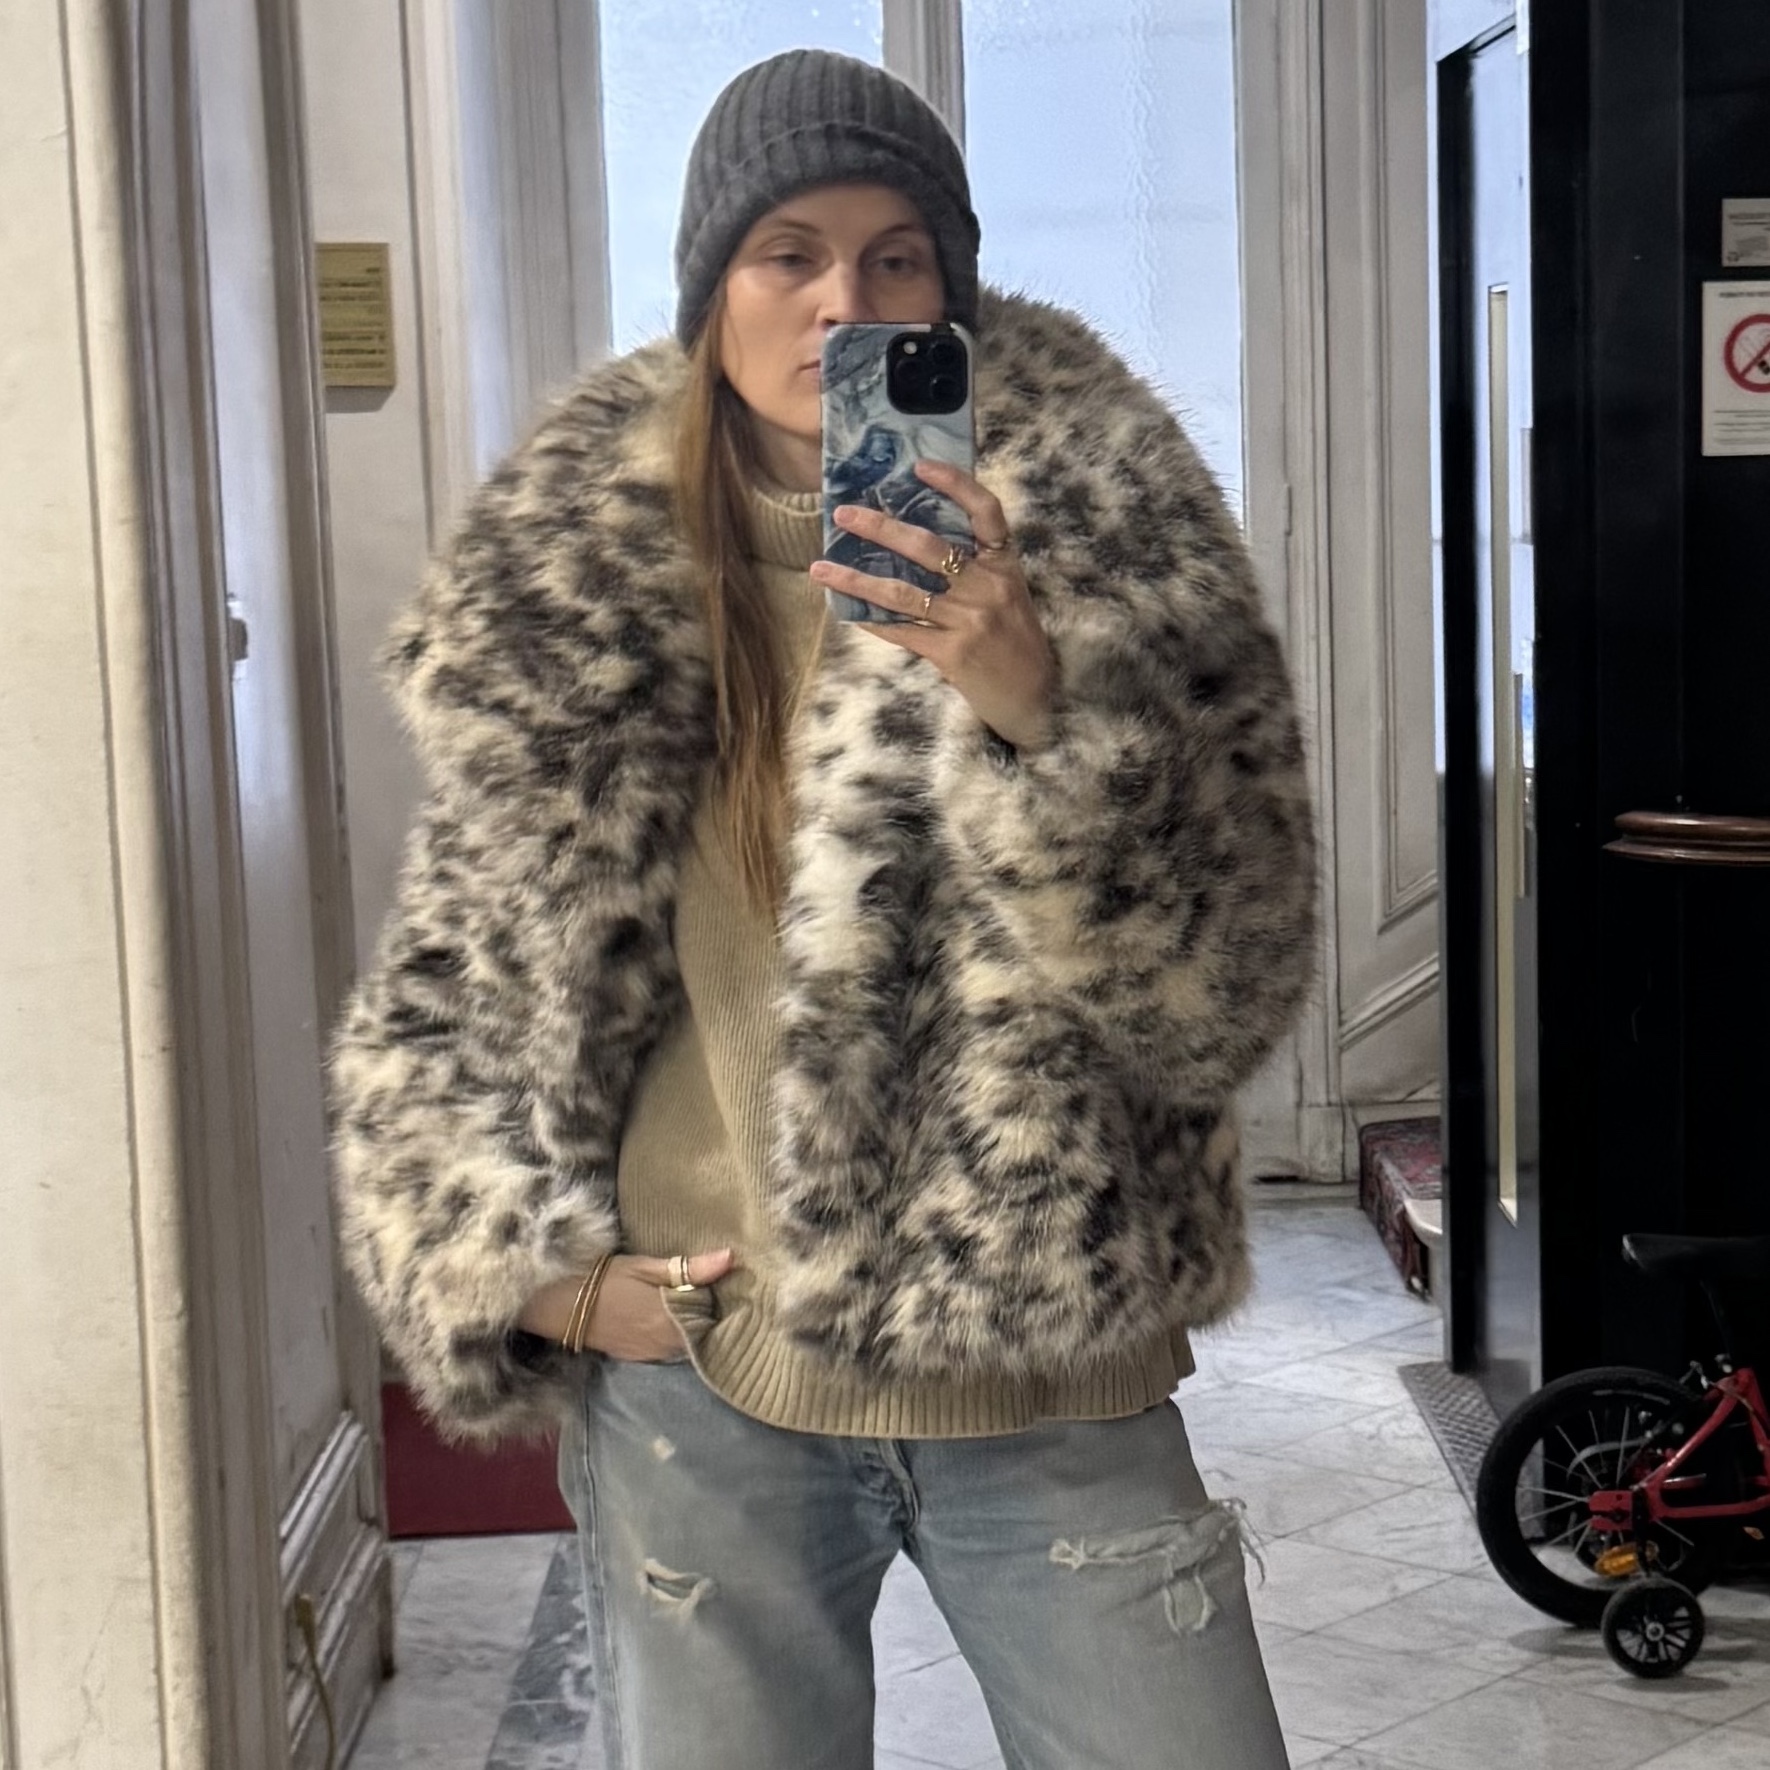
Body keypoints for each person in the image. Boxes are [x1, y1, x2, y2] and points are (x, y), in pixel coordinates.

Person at [330, 48, 1314, 1770]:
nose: (841, 302)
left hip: (1052, 1371)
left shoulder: (1111, 537)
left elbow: (1218, 986)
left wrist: (1035, 708)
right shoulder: (580, 577)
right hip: (710, 1386)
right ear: (713, 291)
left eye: (895, 261)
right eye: (786, 253)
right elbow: (458, 985)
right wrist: (545, 1280)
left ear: (954, 291)